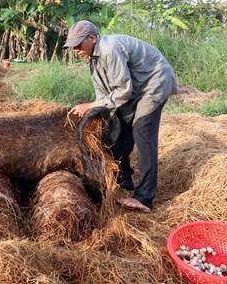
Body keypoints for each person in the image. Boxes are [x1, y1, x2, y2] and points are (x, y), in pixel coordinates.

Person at [65, 20, 177, 213]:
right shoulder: (92, 59)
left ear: (92, 38)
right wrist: (95, 112)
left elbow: (123, 92)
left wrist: (90, 105)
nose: (75, 50)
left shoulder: (109, 49)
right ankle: (123, 181)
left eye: (78, 44)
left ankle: (144, 198)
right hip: (134, 89)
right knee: (118, 131)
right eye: (72, 46)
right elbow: (103, 95)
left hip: (153, 83)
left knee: (143, 132)